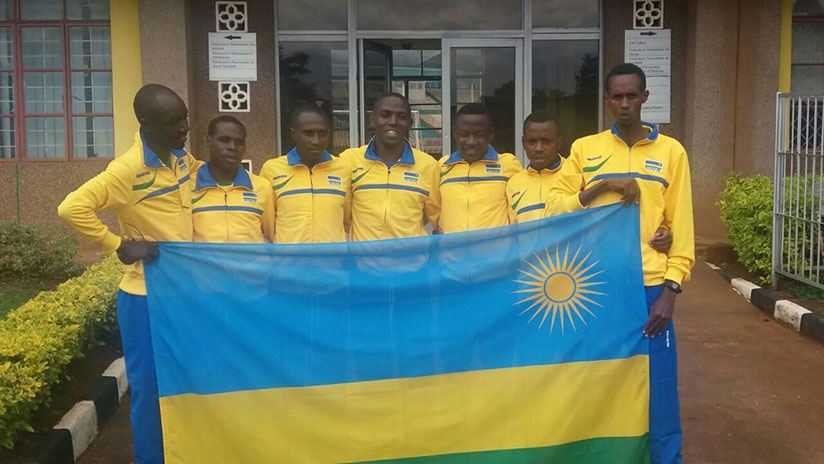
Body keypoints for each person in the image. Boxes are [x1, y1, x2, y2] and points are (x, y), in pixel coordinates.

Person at [546, 63, 694, 464]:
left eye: (633, 96)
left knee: (659, 383)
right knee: (594, 378)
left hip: (649, 284)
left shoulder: (671, 152)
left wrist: (672, 288)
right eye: (618, 96)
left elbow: (681, 226)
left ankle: (666, 458)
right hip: (594, 284)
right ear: (606, 100)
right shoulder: (585, 150)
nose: (625, 104)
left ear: (645, 97)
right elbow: (555, 208)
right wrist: (601, 185)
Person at [58, 84, 195, 463]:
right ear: (146, 124)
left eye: (185, 118)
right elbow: (71, 207)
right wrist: (117, 244)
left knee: (183, 384)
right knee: (150, 390)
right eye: (174, 122)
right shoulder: (127, 169)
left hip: (183, 293)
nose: (184, 127)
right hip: (145, 298)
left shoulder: (181, 158)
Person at [508, 111, 674, 251]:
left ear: (559, 141)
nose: (538, 148)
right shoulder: (513, 183)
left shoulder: (578, 172)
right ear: (523, 142)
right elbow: (510, 236)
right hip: (529, 277)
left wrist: (664, 228)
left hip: (576, 276)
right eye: (531, 142)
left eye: (546, 141)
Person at [340, 93, 441, 241]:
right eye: (385, 115)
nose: (393, 122)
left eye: (401, 116)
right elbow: (344, 214)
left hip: (411, 262)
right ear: (373, 120)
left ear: (410, 123)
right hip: (364, 262)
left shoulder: (428, 165)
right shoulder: (349, 160)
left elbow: (434, 217)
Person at [259, 105, 350, 243]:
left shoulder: (343, 169)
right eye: (308, 133)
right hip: (289, 263)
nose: (316, 141)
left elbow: (346, 218)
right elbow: (267, 223)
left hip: (331, 262)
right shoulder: (272, 169)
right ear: (294, 134)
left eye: (322, 133)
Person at [439, 103, 522, 233]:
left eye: (479, 135)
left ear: (491, 134)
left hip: (496, 253)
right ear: (455, 133)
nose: (471, 141)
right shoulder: (442, 167)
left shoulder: (509, 165)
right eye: (464, 134)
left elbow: (520, 211)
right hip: (451, 252)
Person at [191, 115, 274, 243]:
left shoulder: (262, 187)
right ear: (208, 141)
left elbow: (272, 236)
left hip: (250, 263)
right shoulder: (187, 186)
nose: (232, 147)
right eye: (224, 140)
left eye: (239, 142)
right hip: (204, 264)